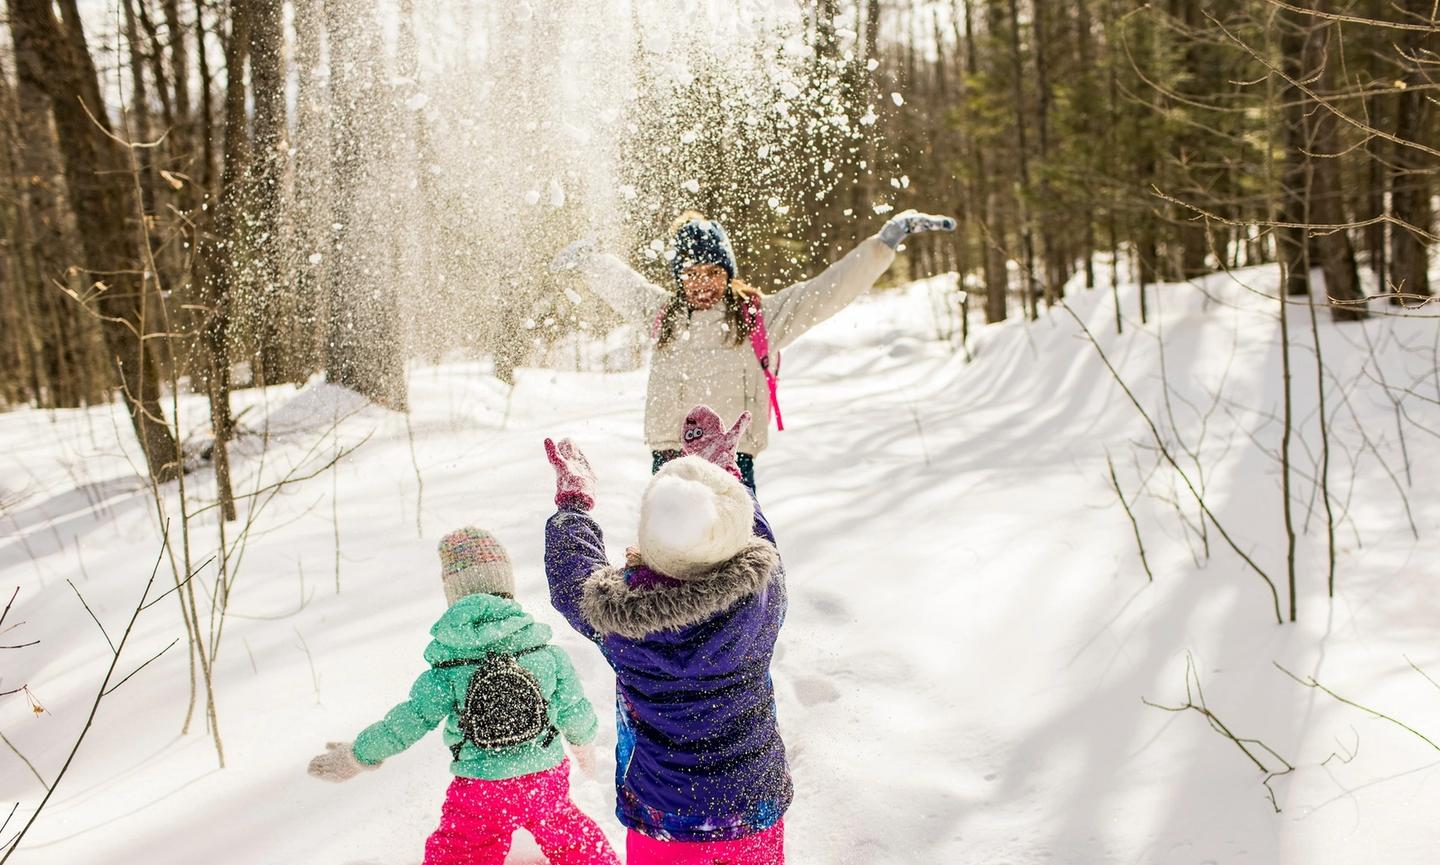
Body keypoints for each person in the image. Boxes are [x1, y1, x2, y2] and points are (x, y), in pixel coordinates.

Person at [541, 406, 791, 865]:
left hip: (664, 821)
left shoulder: (621, 625)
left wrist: (574, 508)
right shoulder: (761, 599)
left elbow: (573, 578)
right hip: (753, 807)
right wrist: (725, 476)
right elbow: (761, 543)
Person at [551, 210, 956, 491]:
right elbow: (624, 285)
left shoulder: (757, 318)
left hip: (734, 456)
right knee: (669, 557)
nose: (702, 283)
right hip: (671, 455)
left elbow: (826, 291)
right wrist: (589, 261)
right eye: (691, 274)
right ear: (679, 278)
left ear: (728, 274)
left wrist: (882, 245)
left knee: (736, 557)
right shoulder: (664, 316)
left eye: (713, 272)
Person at [306, 527, 619, 865]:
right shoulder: (544, 653)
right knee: (571, 837)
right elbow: (575, 711)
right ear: (506, 586)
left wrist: (357, 755)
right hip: (541, 778)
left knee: (462, 849)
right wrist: (583, 746)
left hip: (482, 789)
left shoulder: (450, 666)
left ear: (453, 594)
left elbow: (407, 721)